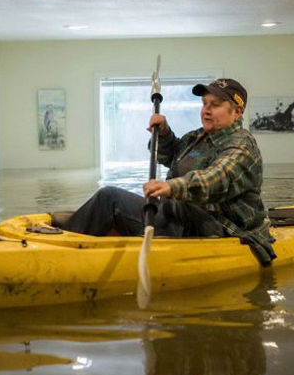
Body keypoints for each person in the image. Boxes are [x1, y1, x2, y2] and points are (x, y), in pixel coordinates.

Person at [62, 78, 276, 265]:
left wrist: (172, 187)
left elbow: (217, 179)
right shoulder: (197, 137)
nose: (206, 110)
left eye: (216, 105)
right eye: (204, 103)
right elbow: (172, 156)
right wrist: (163, 133)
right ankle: (70, 239)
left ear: (237, 112)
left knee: (110, 197)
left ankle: (63, 251)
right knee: (113, 198)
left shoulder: (241, 144)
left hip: (221, 228)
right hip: (184, 215)